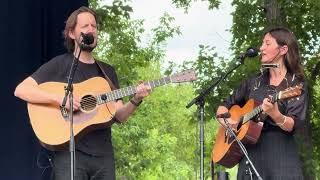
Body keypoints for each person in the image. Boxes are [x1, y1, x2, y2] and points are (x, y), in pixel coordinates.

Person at [14, 6, 151, 180]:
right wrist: (60, 100)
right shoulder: (60, 64)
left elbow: (119, 115)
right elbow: (21, 90)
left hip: (103, 157)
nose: (91, 30)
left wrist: (136, 99)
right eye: (85, 26)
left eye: (94, 26)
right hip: (70, 155)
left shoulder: (107, 72)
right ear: (72, 33)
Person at [216, 27, 308, 179]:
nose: (261, 48)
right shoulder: (253, 82)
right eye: (262, 44)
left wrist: (276, 115)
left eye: (267, 43)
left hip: (280, 156)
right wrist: (227, 122)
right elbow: (223, 106)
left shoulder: (295, 84)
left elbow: (292, 123)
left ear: (283, 49)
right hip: (250, 155)